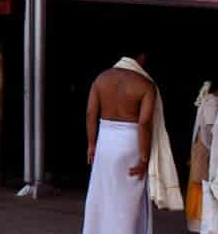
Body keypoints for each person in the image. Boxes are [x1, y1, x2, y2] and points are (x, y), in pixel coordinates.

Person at [82, 50, 184, 234]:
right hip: (130, 143)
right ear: (142, 57)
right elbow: (144, 123)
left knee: (103, 196)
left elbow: (90, 113)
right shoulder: (145, 85)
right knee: (127, 203)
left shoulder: (101, 79)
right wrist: (145, 158)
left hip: (104, 142)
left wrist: (91, 143)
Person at [188, 76, 218, 232]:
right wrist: (213, 149)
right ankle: (201, 222)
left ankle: (198, 222)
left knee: (201, 183)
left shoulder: (206, 98)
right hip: (205, 148)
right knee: (205, 183)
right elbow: (210, 127)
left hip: (201, 145)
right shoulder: (212, 101)